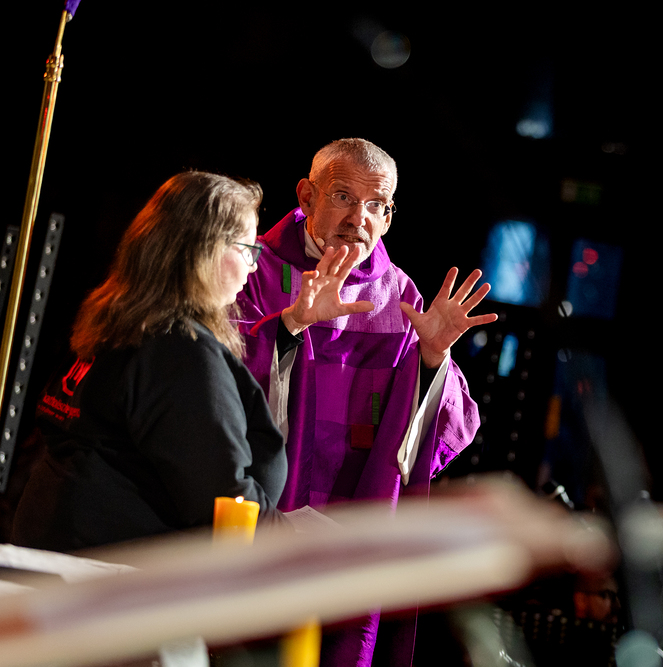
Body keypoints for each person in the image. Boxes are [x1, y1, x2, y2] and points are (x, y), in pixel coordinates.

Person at [236, 138, 496, 666]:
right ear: (306, 196)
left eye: (377, 205)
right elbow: (208, 377)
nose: (360, 218)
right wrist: (288, 326)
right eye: (343, 197)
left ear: (390, 216)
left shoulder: (399, 295)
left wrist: (432, 359)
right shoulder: (251, 268)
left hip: (352, 519)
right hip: (262, 510)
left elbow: (451, 424)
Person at [12, 172, 288, 552]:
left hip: (60, 546)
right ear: (206, 250)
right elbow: (222, 499)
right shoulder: (180, 351)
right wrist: (291, 542)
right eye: (248, 249)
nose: (253, 267)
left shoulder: (119, 321)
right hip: (111, 568)